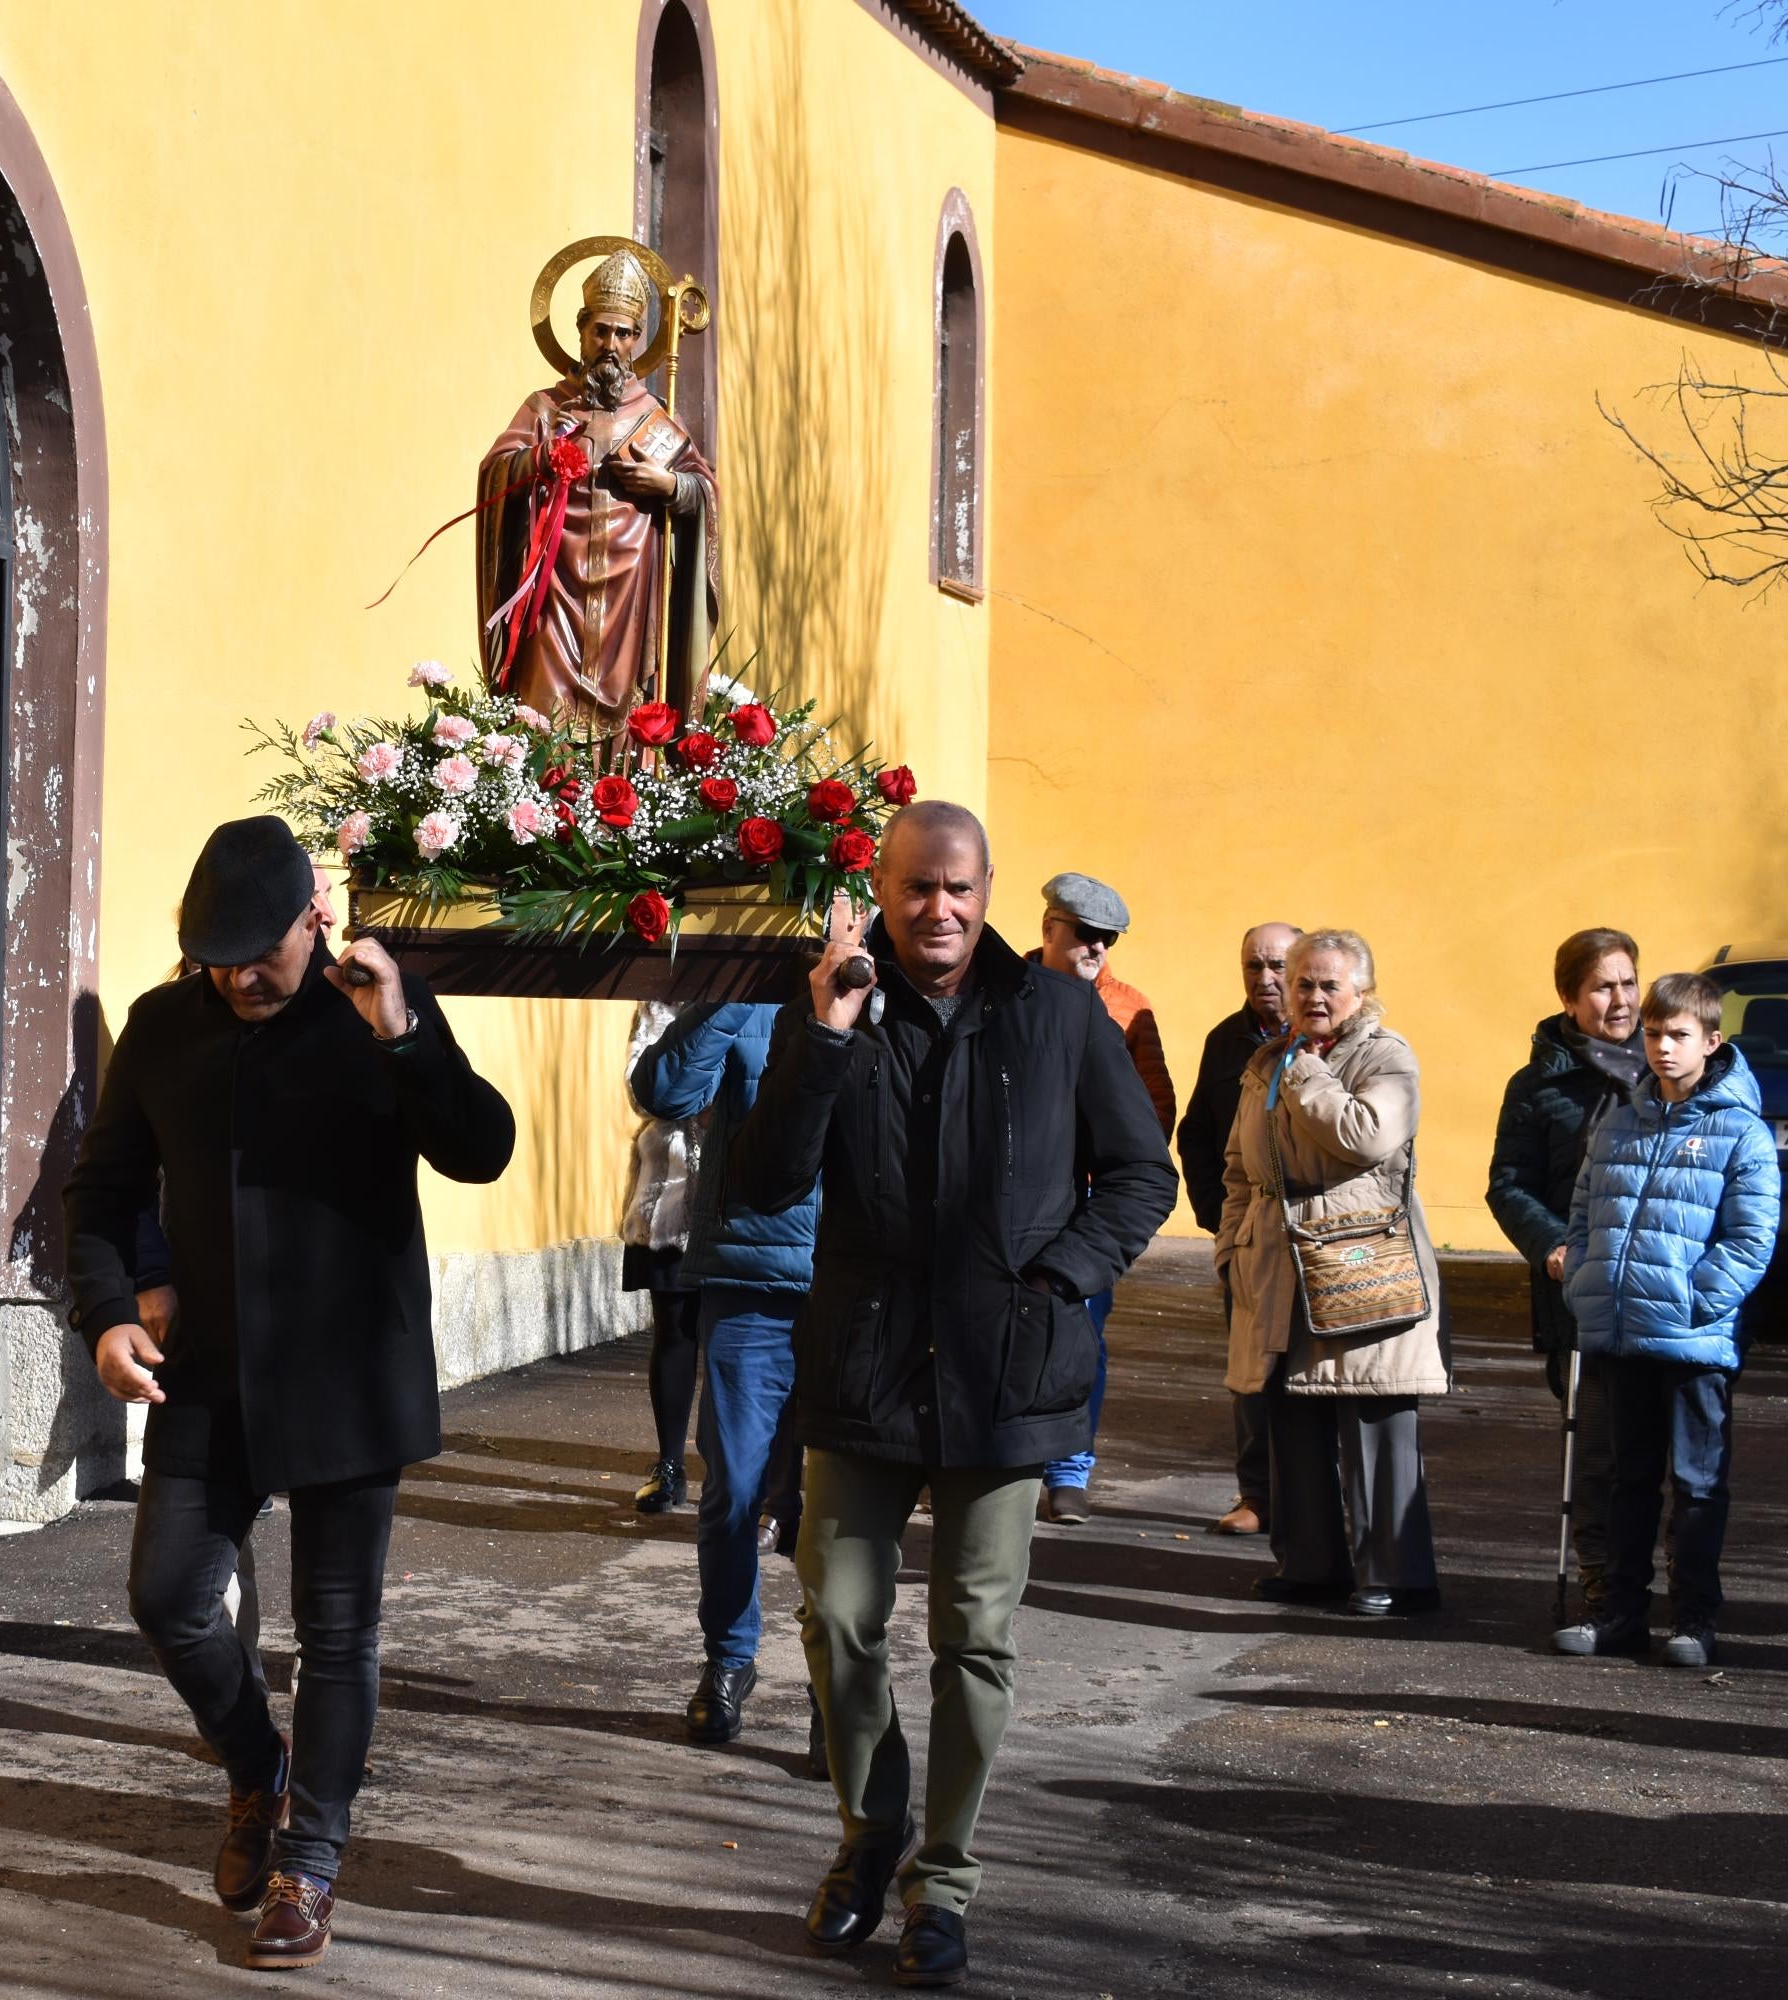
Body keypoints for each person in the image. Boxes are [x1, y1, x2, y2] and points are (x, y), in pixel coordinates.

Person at [731, 801, 1175, 1990]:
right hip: (863, 1368)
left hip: (1006, 1374)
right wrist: (824, 1035)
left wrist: (1063, 1278)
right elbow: (768, 1178)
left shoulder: (1061, 1013)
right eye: (918, 886)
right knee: (836, 1617)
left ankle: (945, 1877)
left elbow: (1141, 1171)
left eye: (961, 888)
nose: (940, 909)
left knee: (974, 1636)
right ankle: (868, 1838)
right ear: (882, 888)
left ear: (990, 892)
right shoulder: (831, 1005)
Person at [64, 815, 513, 1971]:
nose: (241, 976)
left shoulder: (377, 1010)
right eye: (218, 955)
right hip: (207, 1373)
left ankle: (310, 1859)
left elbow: (482, 1148)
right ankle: (255, 1766)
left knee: (339, 1631)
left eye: (259, 949)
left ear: (314, 916)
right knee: (166, 1596)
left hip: (348, 1372)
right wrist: (112, 1311)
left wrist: (404, 1032)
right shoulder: (166, 1026)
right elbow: (102, 1190)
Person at [1217, 930, 1446, 1619]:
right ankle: (1311, 1564)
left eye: (1328, 985)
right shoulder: (1267, 1062)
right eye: (1302, 983)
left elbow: (1364, 1135)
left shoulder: (1386, 1054)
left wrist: (1309, 1074)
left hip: (1359, 1263)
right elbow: (1239, 1166)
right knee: (1290, 1419)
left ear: (1362, 993)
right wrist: (1231, 1245)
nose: (1313, 996)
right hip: (1276, 1267)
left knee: (1372, 1416)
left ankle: (1395, 1575)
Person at [1557, 971, 1779, 1666]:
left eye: (1679, 1035)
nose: (1662, 1048)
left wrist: (1692, 1304)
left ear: (1712, 1041)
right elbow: (1584, 1213)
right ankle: (1619, 1613)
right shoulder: (1620, 1120)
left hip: (1691, 1341)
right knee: (1626, 1479)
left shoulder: (1741, 1132)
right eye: (1653, 1034)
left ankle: (1693, 1620)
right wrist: (1590, 1284)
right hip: (1620, 1335)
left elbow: (1750, 1239)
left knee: (1697, 1485)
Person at [632, 999, 821, 1751]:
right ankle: (729, 1659)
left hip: (850, 1281)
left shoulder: (884, 976)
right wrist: (729, 988)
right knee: (735, 1489)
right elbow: (667, 1093)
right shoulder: (743, 997)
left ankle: (833, 1686)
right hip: (749, 1277)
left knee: (832, 1507)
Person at [476, 247, 720, 726]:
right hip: (554, 588)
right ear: (582, 333)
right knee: (544, 708)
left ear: (636, 341)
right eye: (601, 331)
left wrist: (669, 485)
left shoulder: (654, 417)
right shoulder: (546, 408)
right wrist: (542, 459)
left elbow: (703, 489)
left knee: (628, 711)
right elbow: (496, 471)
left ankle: (617, 796)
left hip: (630, 595)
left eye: (625, 333)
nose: (612, 343)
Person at [1486, 928, 1644, 1637]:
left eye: (1628, 983)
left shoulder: (1668, 1067)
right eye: (1603, 987)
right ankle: (1605, 1590)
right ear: (1570, 999)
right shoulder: (1539, 1085)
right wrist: (1550, 1244)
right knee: (1599, 1452)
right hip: (1577, 1297)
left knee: (1672, 1456)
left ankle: (1665, 1591)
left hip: (1657, 1294)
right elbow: (1509, 1185)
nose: (1620, 1000)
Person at [1028, 873, 1176, 1524]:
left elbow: (1155, 1109)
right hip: (1015, 1202)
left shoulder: (1127, 1006)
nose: (1098, 951)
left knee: (1082, 1337)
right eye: (1086, 936)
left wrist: (1112, 1178)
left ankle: (1068, 1470)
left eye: (1107, 940)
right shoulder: (1005, 992)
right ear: (1049, 928)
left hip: (1084, 1208)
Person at [1177, 923, 1301, 1536]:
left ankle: (1317, 1495)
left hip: (1315, 1236)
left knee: (1313, 1371)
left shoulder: (1332, 1041)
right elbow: (1196, 1132)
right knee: (1250, 1371)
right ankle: (1259, 1495)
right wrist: (1215, 1217)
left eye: (1277, 965)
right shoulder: (1227, 1041)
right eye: (1253, 966)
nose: (1265, 979)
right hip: (1249, 1233)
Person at [619, 1001, 701, 1513]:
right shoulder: (658, 1003)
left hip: (742, 1197)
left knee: (737, 1346)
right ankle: (670, 1464)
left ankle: (748, 1476)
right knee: (673, 1333)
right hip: (669, 1196)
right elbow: (641, 1090)